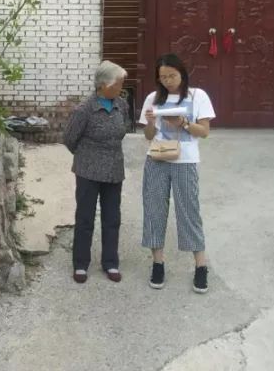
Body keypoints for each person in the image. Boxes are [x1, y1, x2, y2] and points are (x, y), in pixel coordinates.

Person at [139, 53, 216, 294]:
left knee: (189, 211)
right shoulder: (153, 98)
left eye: (171, 75)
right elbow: (148, 136)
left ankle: (200, 266)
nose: (168, 81)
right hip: (157, 158)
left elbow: (204, 132)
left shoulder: (198, 95)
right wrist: (150, 122)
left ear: (182, 73)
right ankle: (158, 263)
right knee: (154, 209)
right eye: (163, 77)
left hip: (186, 160)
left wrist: (182, 123)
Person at [63, 61, 131, 284]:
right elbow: (69, 139)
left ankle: (110, 262)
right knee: (85, 217)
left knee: (112, 218)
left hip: (114, 170)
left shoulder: (122, 105)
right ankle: (81, 264)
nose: (121, 86)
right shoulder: (84, 110)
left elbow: (124, 129)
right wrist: (87, 156)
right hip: (88, 171)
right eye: (118, 83)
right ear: (104, 84)